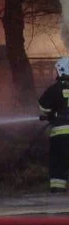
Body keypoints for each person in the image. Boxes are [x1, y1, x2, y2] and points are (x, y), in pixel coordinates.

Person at [38, 57, 69, 192]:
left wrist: (52, 112)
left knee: (58, 161)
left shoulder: (55, 89)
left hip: (60, 135)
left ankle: (57, 190)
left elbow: (43, 106)